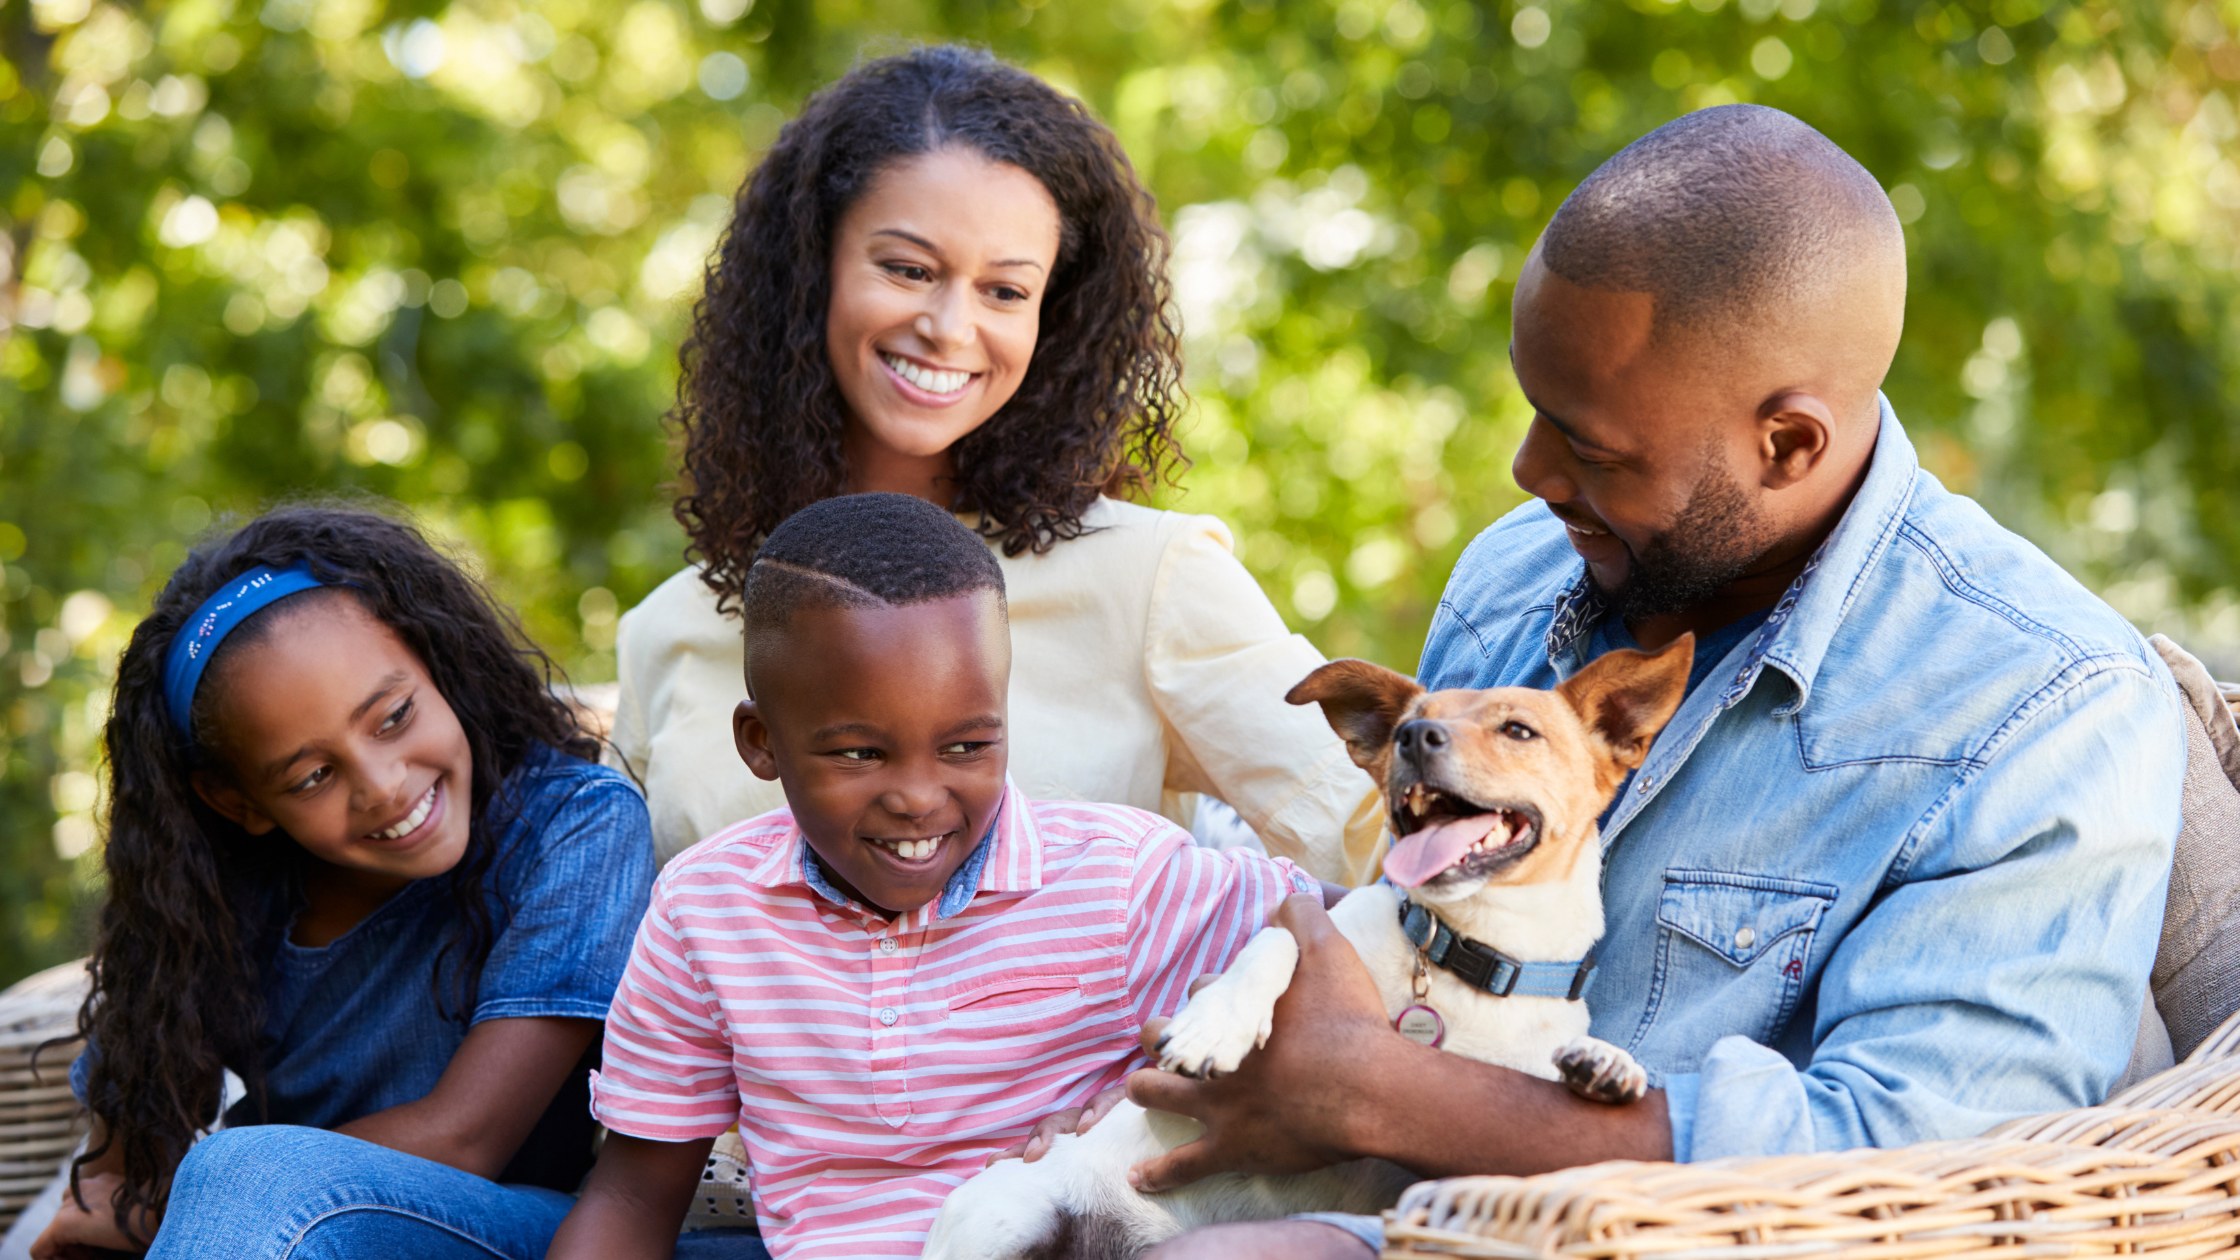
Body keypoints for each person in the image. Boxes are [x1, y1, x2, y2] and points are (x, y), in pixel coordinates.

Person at [1101, 105, 2187, 1259]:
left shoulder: (2039, 707)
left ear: (1786, 444)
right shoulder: (1519, 574)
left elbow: (1919, 1163)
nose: (1527, 472)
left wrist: (1374, 1093)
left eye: (1592, 448)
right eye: (1533, 412)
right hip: (1404, 1217)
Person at [613, 44, 1381, 886]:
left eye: (1005, 291)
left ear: (1054, 315)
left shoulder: (1148, 580)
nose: (949, 326)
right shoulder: (669, 628)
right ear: (811, 273)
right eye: (908, 269)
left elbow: (1379, 843)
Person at [547, 493, 1341, 1260]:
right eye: (859, 753)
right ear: (760, 742)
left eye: (966, 746)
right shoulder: (704, 911)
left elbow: (1354, 927)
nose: (919, 798)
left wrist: (1172, 1084)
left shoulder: (1120, 878)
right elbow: (632, 1198)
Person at [32, 505, 655, 1260]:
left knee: (246, 1171)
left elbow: (467, 1139)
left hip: (512, 1233)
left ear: (438, 663)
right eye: (314, 775)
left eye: (393, 716)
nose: (385, 788)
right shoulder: (225, 900)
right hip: (284, 1236)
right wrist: (153, 1202)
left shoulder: (572, 825)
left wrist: (204, 1191)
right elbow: (105, 1190)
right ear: (239, 804)